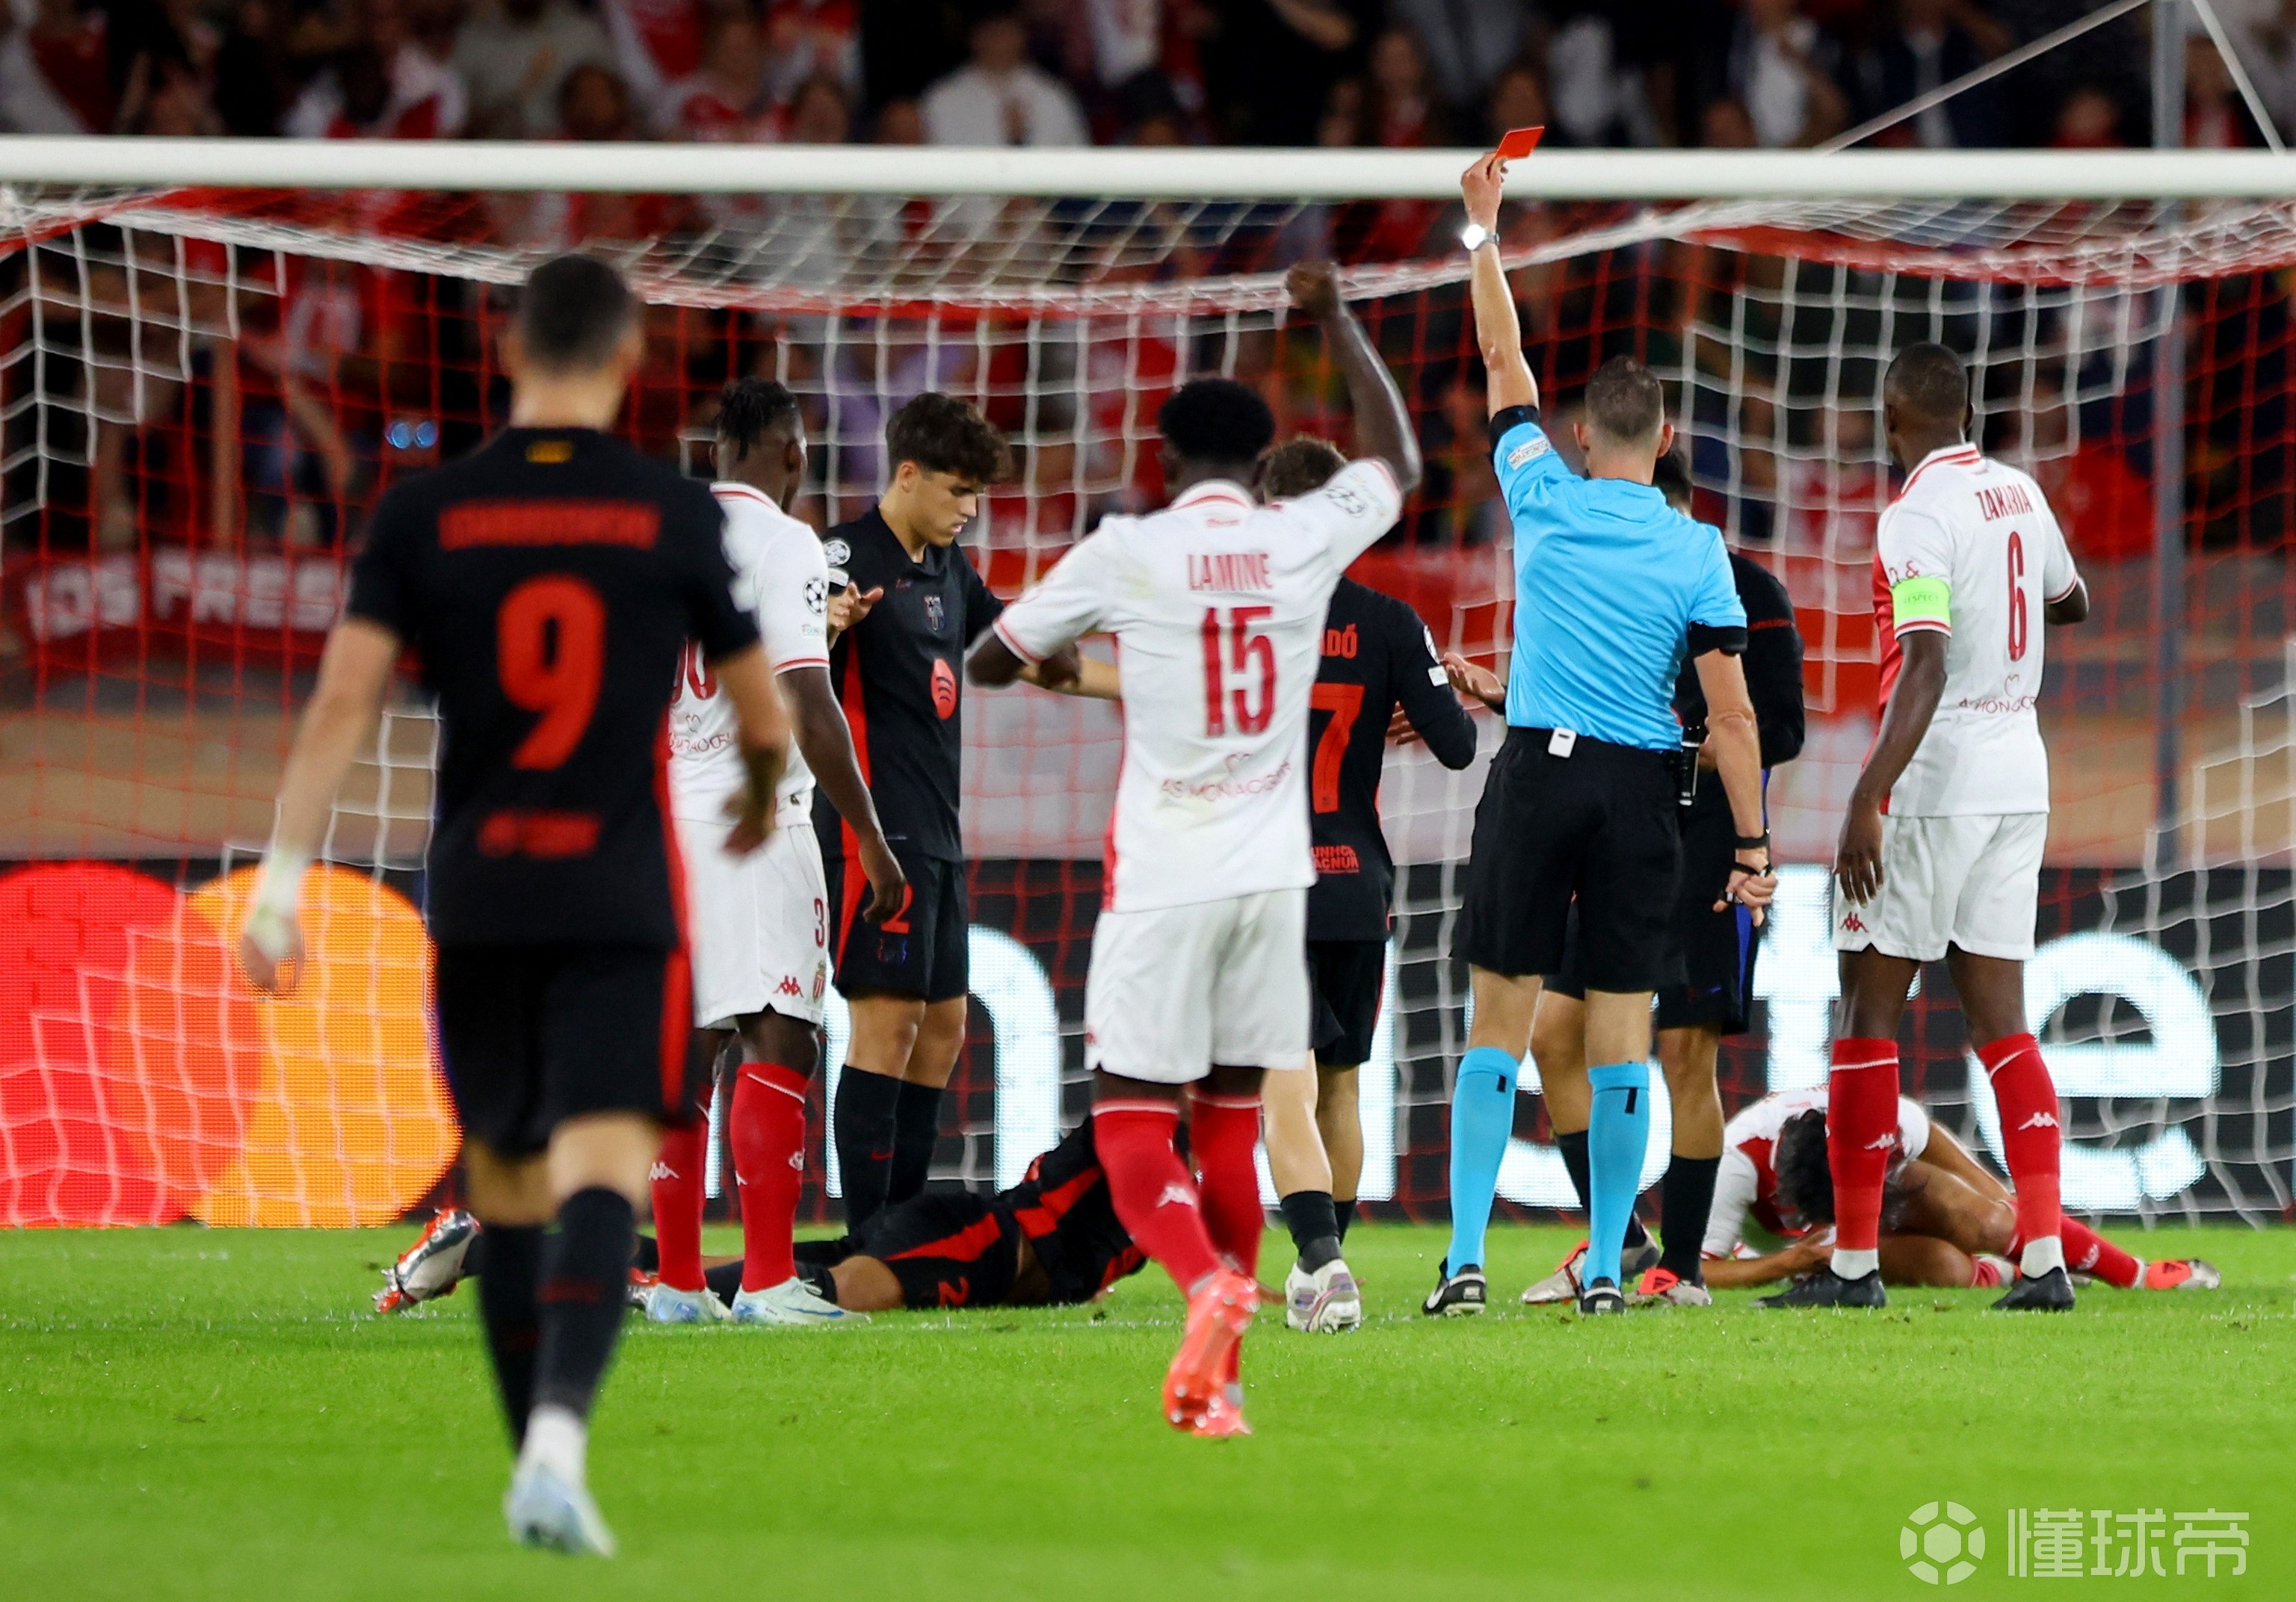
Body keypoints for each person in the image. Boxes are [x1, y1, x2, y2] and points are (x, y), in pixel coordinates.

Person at [236, 255, 792, 1556]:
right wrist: (762, 792)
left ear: (504, 347)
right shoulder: (669, 511)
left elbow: (338, 705)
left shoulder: (424, 511)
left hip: (479, 886)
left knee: (502, 1176)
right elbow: (758, 707)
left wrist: (277, 879)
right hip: (615, 887)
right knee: (603, 1165)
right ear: (629, 356)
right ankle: (556, 1443)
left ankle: (527, 1446)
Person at [966, 259, 1422, 1435]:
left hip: (1162, 875)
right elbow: (1400, 468)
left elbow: (990, 660)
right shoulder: (1304, 542)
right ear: (1263, 454)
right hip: (1276, 879)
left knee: (1130, 1122)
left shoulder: (1127, 550)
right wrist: (1333, 322)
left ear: (1163, 460)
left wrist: (1056, 661)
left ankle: (1208, 1285)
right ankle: (1218, 1378)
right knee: (1235, 1122)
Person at [1431, 143, 1777, 1322]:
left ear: (1583, 437)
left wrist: (1484, 231)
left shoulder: (1539, 488)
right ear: (1667, 438)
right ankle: (1610, 1277)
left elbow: (1500, 357)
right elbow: (1730, 711)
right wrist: (1753, 849)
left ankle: (1465, 1263)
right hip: (1641, 793)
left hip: (1538, 774)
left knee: (1503, 1023)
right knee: (1627, 1034)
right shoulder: (1699, 550)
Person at [1771, 342, 2090, 1314]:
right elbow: (2073, 600)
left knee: (1869, 1014)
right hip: (2019, 774)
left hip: (1938, 778)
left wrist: (1869, 793)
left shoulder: (1915, 515)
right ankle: (2044, 1262)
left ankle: (1855, 1267)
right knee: (2003, 1027)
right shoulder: (2022, 496)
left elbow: (1924, 662)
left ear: (1892, 416)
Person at [1490, 447, 1805, 1309]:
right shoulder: (1594, 585)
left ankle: (1685, 1264)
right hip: (1619, 838)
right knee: (1556, 1035)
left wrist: (1727, 806)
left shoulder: (1746, 590)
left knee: (1684, 1052)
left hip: (1703, 849)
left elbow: (1778, 726)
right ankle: (1617, 1237)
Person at [648, 378, 904, 1329]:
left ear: (717, 449)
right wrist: (872, 841)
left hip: (669, 815)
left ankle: (678, 1285)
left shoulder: (664, 530)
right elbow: (804, 696)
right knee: (780, 1034)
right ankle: (763, 1281)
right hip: (755, 818)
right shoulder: (789, 541)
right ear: (793, 454)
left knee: (687, 1047)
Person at [817, 394, 1094, 1243]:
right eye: (959, 490)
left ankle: (895, 1226)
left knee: (942, 1029)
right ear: (908, 474)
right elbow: (791, 668)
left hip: (939, 831)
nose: (970, 509)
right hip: (873, 830)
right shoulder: (841, 558)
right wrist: (823, 627)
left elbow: (1023, 655)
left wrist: (1139, 679)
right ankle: (869, 1239)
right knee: (888, 1022)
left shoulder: (949, 566)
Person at [1253, 436, 1477, 1335]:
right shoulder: (1390, 620)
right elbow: (1459, 744)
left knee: (1285, 1080)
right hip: (1357, 876)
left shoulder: (1240, 617)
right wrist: (1421, 703)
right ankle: (1324, 1271)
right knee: (1341, 1084)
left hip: (1265, 879)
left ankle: (1321, 1260)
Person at [378, 1119, 1151, 1317]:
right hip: (973, 1238)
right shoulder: (1131, 1127)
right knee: (834, 1289)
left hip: (954, 1239)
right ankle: (650, 1289)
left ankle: (491, 1245)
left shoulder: (1158, 1198)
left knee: (743, 1267)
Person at [1703, 1090, 2219, 1294]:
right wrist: (1784, 1262)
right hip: (1787, 1251)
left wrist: (2016, 1224)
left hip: (1878, 1199)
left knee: (1993, 1221)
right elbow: (1699, 1268)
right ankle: (2006, 1273)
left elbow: (2003, 1205)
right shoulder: (1737, 1160)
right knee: (1946, 1269)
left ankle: (2137, 1275)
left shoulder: (1891, 1121)